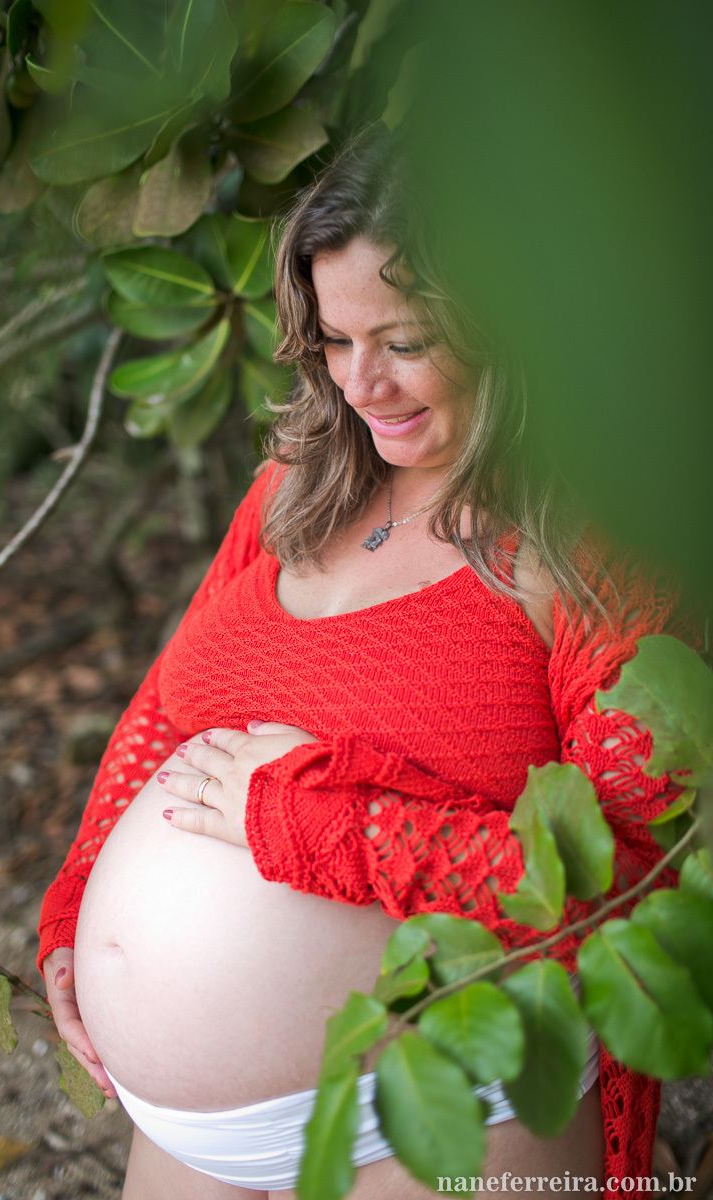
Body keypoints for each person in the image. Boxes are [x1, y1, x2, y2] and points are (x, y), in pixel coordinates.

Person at [38, 129, 683, 1200]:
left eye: (406, 338)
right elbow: (166, 714)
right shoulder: (295, 486)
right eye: (334, 341)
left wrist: (317, 825)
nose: (362, 383)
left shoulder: (590, 547)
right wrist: (75, 910)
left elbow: (636, 893)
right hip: (194, 1139)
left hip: (450, 1102)